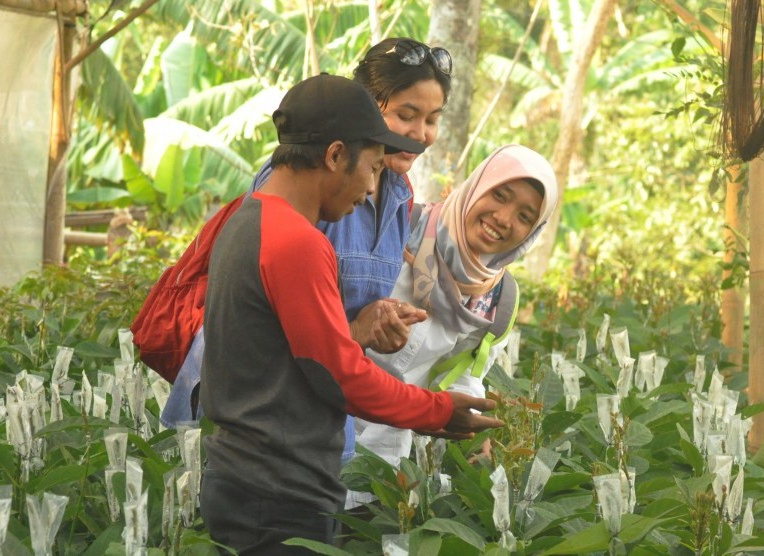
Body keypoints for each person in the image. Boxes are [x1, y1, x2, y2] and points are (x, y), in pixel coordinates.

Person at [199, 74, 502, 554]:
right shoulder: (298, 243)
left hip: (245, 477)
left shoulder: (248, 219)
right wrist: (439, 411)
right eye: (374, 168)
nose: (369, 189)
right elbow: (340, 375)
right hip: (278, 491)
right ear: (336, 155)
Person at [161, 38, 454, 449]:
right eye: (406, 115)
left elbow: (338, 321)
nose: (420, 134)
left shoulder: (400, 195)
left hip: (318, 420)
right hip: (258, 425)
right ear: (362, 110)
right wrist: (437, 410)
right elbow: (277, 331)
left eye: (432, 119)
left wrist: (377, 319)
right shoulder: (303, 189)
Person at [346, 144, 558, 508]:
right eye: (500, 196)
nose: (504, 219)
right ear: (476, 186)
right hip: (321, 432)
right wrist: (362, 328)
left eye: (524, 216)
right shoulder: (394, 225)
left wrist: (472, 423)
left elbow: (460, 373)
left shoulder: (498, 299)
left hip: (388, 466)